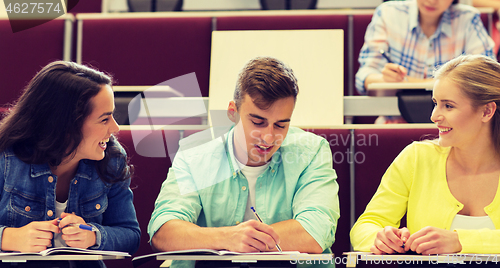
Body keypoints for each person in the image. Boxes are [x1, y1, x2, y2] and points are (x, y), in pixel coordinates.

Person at [148, 57, 340, 267]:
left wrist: (244, 239)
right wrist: (228, 238)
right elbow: (163, 231)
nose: (268, 138)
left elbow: (314, 232)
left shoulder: (312, 151)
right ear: (233, 112)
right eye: (258, 122)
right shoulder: (193, 155)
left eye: (280, 125)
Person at [350, 54, 500, 256]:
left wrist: (459, 241)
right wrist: (381, 238)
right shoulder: (416, 157)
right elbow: (365, 226)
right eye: (435, 103)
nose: (434, 116)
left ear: (486, 111)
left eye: (448, 105)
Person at [0, 61, 140, 262]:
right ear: (66, 125)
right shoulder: (5, 156)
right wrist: (8, 238)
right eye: (104, 119)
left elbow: (130, 235)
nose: (115, 128)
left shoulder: (112, 159)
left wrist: (94, 235)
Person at [356, 0, 495, 123]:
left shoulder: (467, 18)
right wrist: (384, 78)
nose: (432, 1)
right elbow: (364, 77)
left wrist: (407, 81)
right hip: (395, 122)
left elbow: (488, 77)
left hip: (455, 127)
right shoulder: (388, 13)